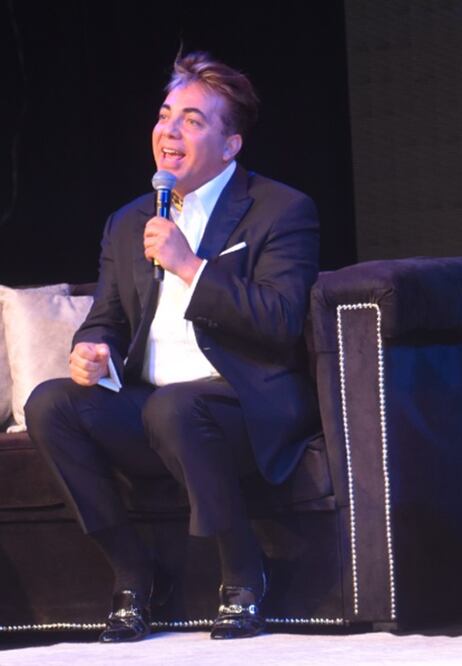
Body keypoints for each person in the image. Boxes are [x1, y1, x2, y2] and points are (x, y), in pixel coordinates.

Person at [25, 52, 320, 642]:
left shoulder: (280, 210)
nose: (170, 131)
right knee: (49, 404)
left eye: (192, 120)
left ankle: (242, 576)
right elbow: (107, 316)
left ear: (229, 145)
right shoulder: (129, 220)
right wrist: (93, 348)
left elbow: (281, 319)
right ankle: (133, 574)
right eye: (165, 116)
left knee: (178, 407)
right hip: (152, 405)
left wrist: (192, 267)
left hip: (241, 406)